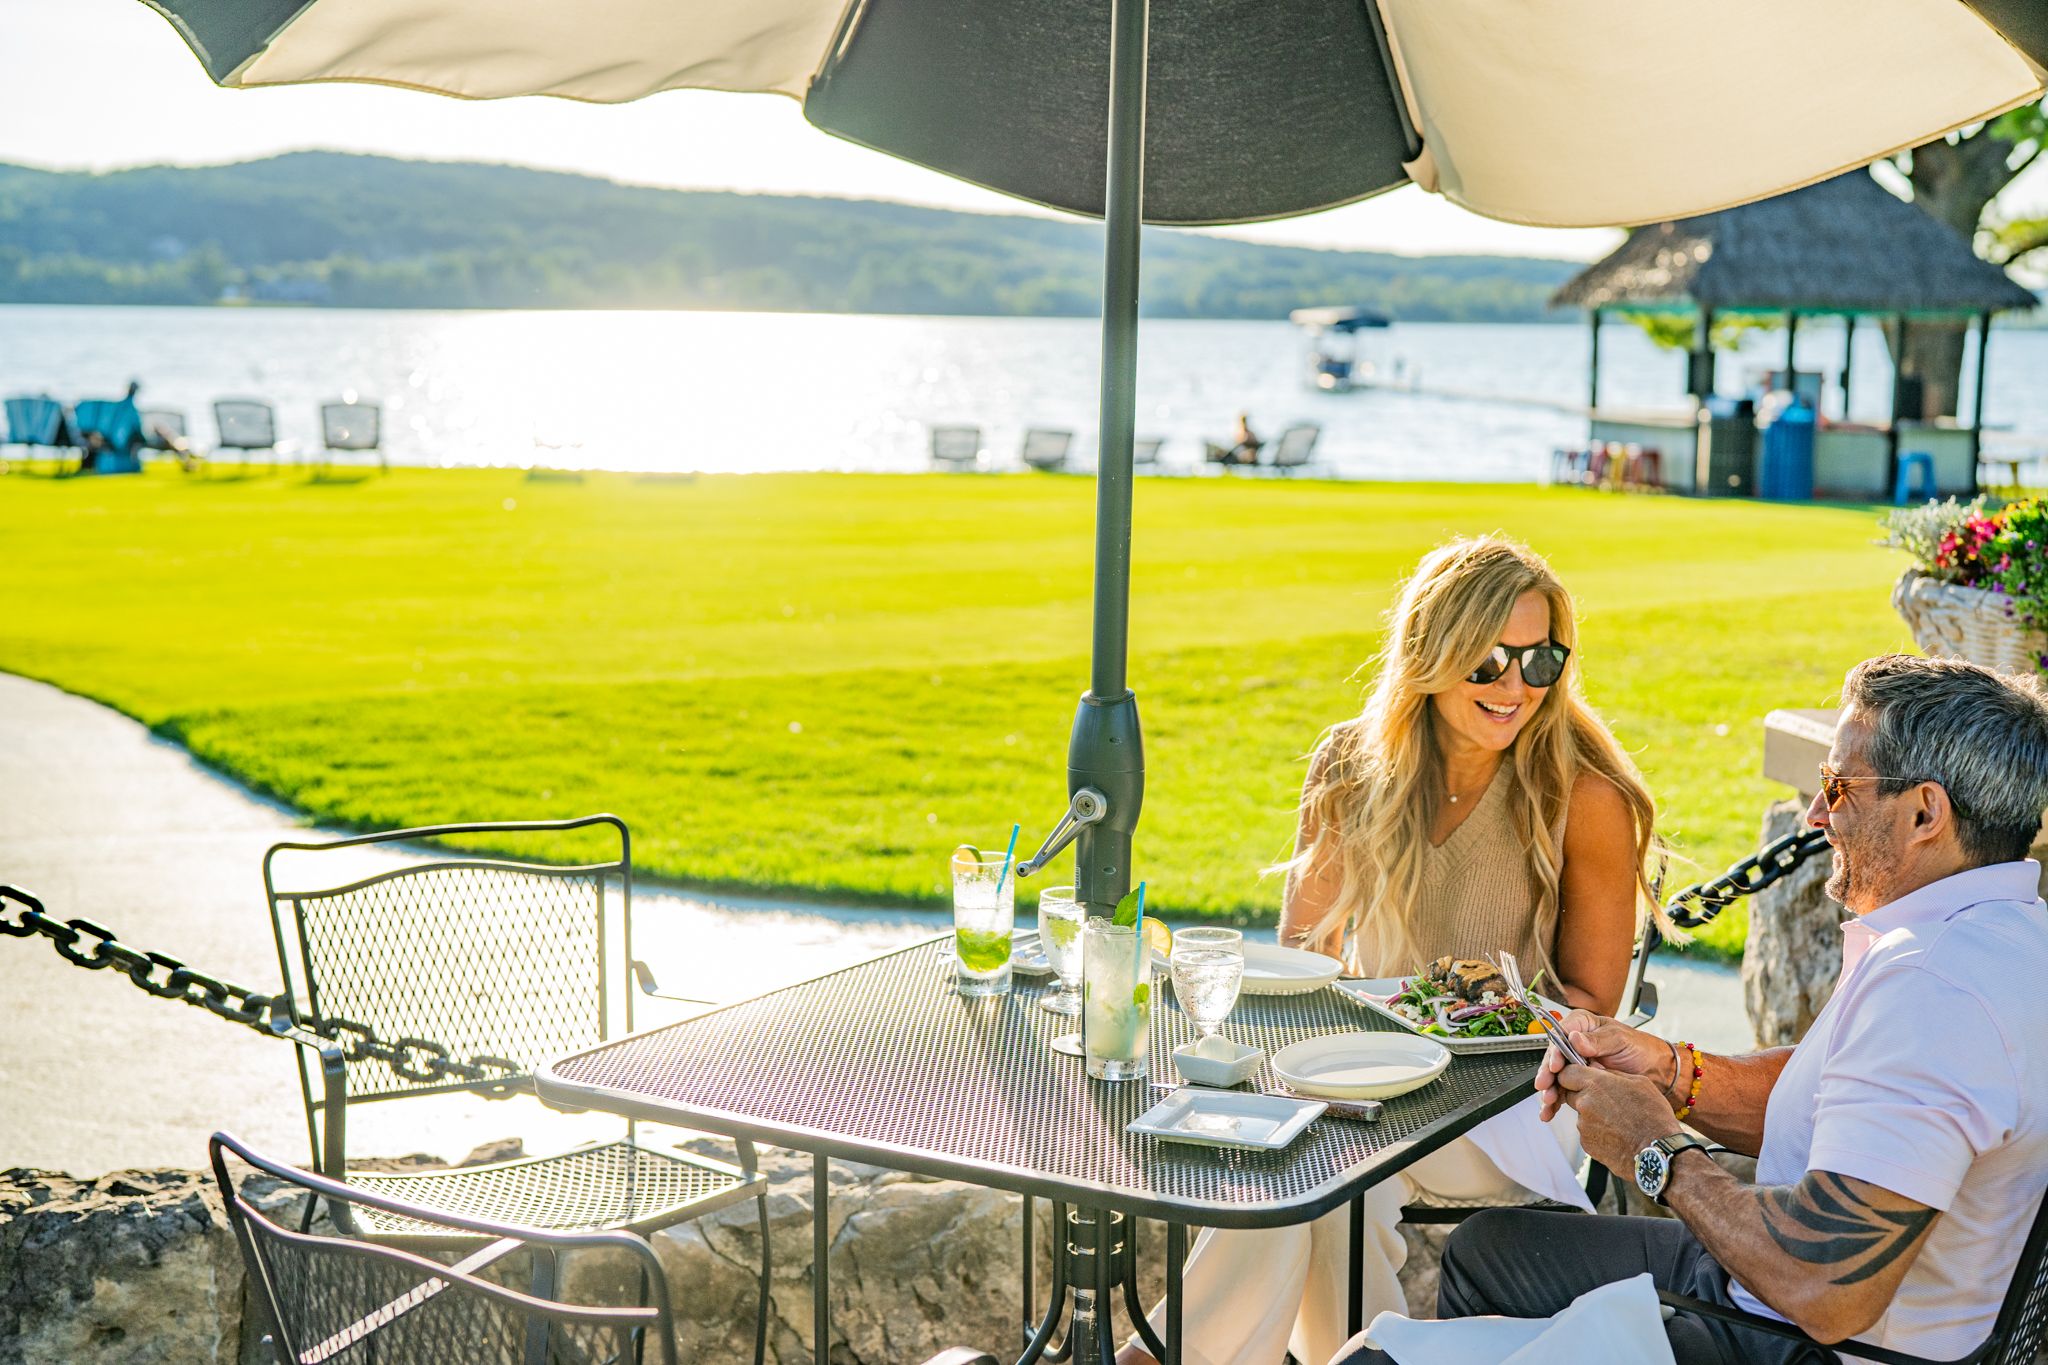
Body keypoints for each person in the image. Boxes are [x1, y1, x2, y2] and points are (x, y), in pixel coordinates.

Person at [1341, 654, 2048, 1364]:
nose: (1814, 814)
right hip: (1782, 1301)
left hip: (1797, 1339)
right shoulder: (2004, 938)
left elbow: (1827, 1287)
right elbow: (1854, 1102)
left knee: (1375, 1358)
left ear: (1926, 811)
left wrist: (1656, 1152)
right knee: (1488, 1251)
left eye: (1837, 786)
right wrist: (1674, 1073)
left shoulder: (1938, 991)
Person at [1121, 536, 1663, 1365]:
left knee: (1322, 1163)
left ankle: (1157, 1359)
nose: (1517, 685)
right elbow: (1303, 956)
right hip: (1364, 1075)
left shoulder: (1583, 795)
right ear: (1432, 653)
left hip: (1512, 1099)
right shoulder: (1349, 764)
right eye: (1490, 661)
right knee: (1322, 1166)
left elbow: (1593, 1004)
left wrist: (1459, 1020)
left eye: (1541, 658)